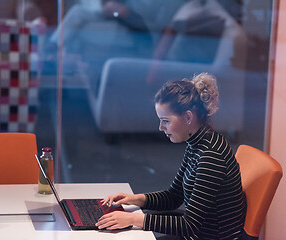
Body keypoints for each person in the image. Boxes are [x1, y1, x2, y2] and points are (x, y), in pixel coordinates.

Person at [95, 73, 247, 239]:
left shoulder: (210, 155)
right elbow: (174, 197)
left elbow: (189, 225)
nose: (161, 127)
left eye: (166, 121)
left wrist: (133, 218)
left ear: (188, 117)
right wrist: (133, 199)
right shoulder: (197, 143)